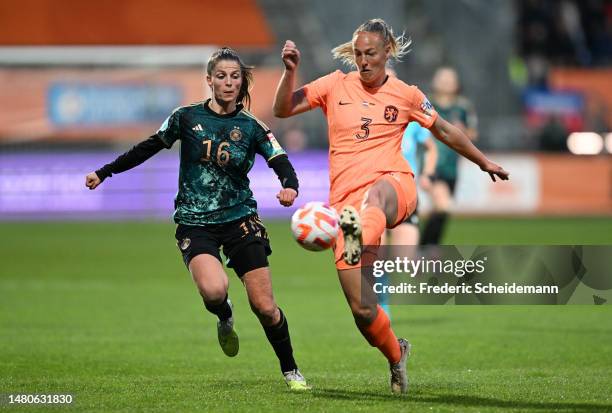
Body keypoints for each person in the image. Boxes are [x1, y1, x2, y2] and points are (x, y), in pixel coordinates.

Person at [273, 19, 508, 394]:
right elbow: (283, 109)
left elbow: (444, 129)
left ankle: (364, 229)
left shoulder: (407, 94)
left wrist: (483, 161)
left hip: (393, 186)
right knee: (364, 312)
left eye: (371, 54)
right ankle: (396, 355)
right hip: (345, 210)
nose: (363, 62)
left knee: (376, 195)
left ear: (387, 53)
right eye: (359, 55)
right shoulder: (334, 85)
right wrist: (290, 72)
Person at [85, 47, 310, 391]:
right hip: (195, 220)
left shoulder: (252, 126)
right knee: (214, 290)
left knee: (265, 307)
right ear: (209, 80)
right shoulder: (185, 117)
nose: (229, 82)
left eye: (235, 76)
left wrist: (290, 186)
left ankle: (291, 370)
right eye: (221, 76)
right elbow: (147, 146)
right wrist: (106, 171)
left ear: (241, 81)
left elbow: (279, 159)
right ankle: (224, 316)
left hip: (240, 218)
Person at [420, 67, 478, 245]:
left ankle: (422, 245)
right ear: (434, 81)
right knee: (443, 205)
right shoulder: (426, 103)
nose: (445, 82)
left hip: (451, 169)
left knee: (442, 210)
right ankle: (426, 248)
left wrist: (463, 131)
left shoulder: (463, 107)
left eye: (449, 79)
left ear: (456, 84)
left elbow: (473, 134)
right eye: (442, 78)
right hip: (430, 165)